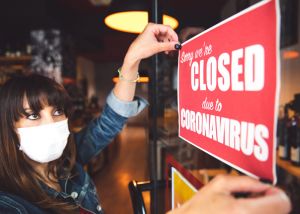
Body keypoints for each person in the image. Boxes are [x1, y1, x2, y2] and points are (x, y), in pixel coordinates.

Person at [0, 23, 291, 214]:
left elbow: (109, 121)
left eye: (57, 111)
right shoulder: (10, 203)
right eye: (33, 115)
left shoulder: (67, 159)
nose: (51, 124)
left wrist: (132, 60)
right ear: (7, 129)